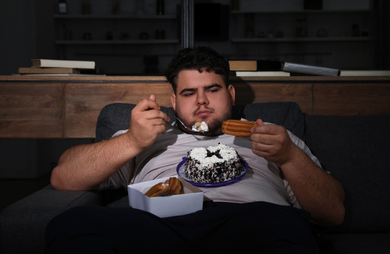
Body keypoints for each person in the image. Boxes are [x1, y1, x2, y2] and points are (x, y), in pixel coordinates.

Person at [46, 47, 345, 253]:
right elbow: (63, 177)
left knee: (288, 226)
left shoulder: (274, 138)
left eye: (212, 89)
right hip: (160, 226)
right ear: (174, 102)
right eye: (189, 93)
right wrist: (132, 141)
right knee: (74, 223)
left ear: (230, 94)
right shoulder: (145, 134)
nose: (201, 101)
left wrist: (290, 156)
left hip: (248, 222)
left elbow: (334, 213)